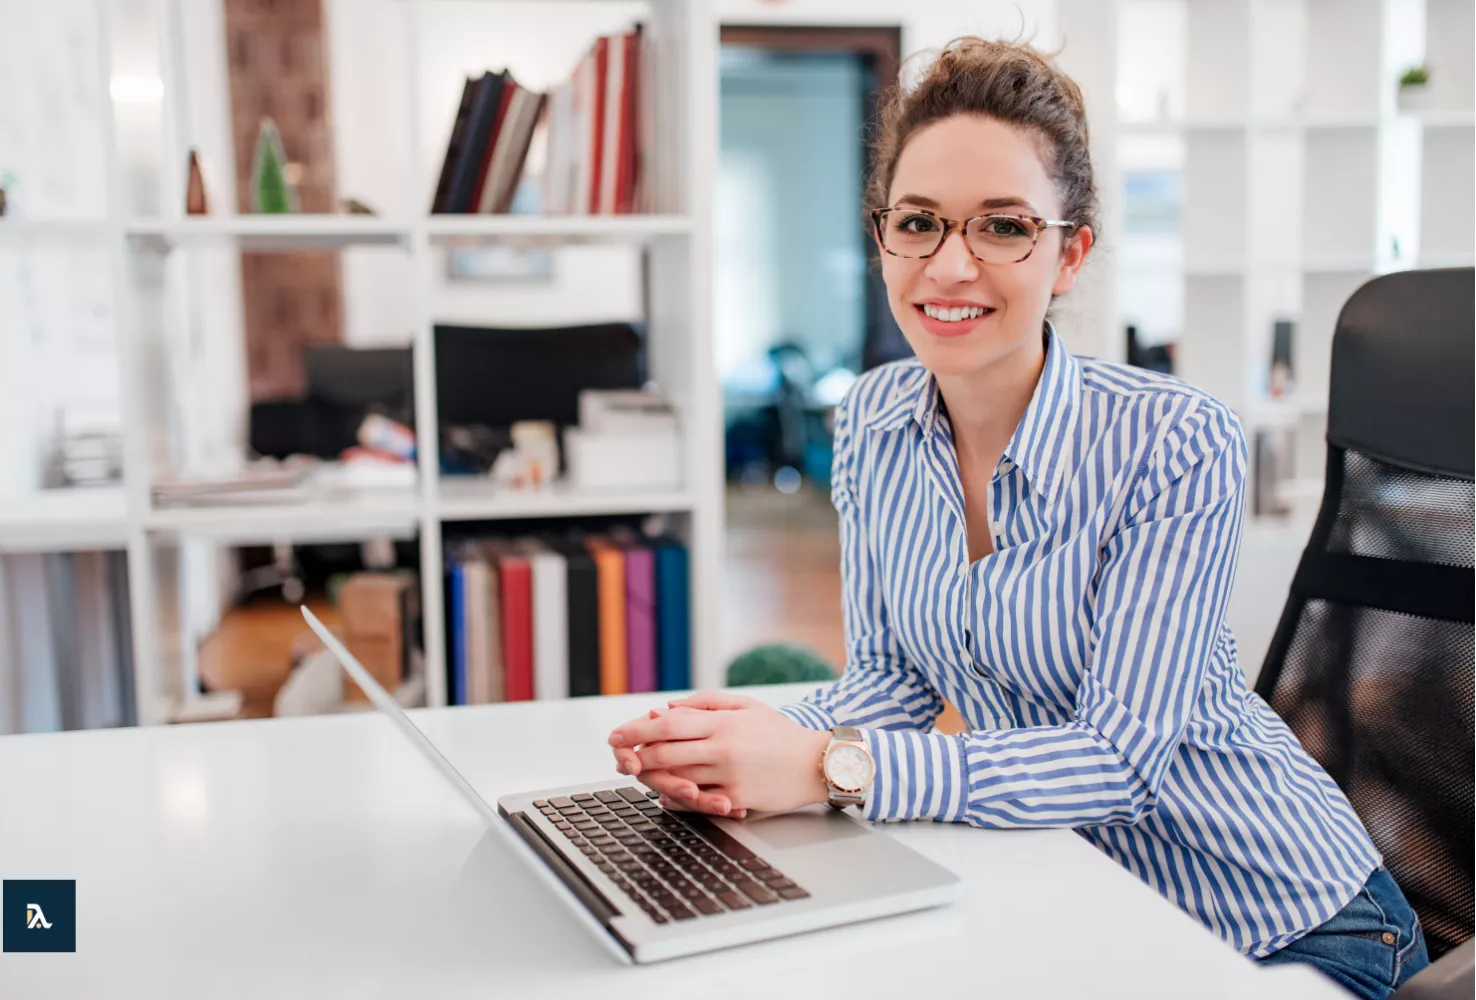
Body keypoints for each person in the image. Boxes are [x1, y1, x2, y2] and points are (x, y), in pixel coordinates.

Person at [607, 37, 1429, 1000]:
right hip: (1087, 909)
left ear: (1069, 252)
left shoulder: (1173, 443)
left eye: (1002, 227)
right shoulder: (871, 423)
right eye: (918, 222)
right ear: (884, 241)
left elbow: (1117, 760)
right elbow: (893, 681)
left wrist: (830, 767)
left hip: (1290, 929)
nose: (950, 265)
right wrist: (746, 746)